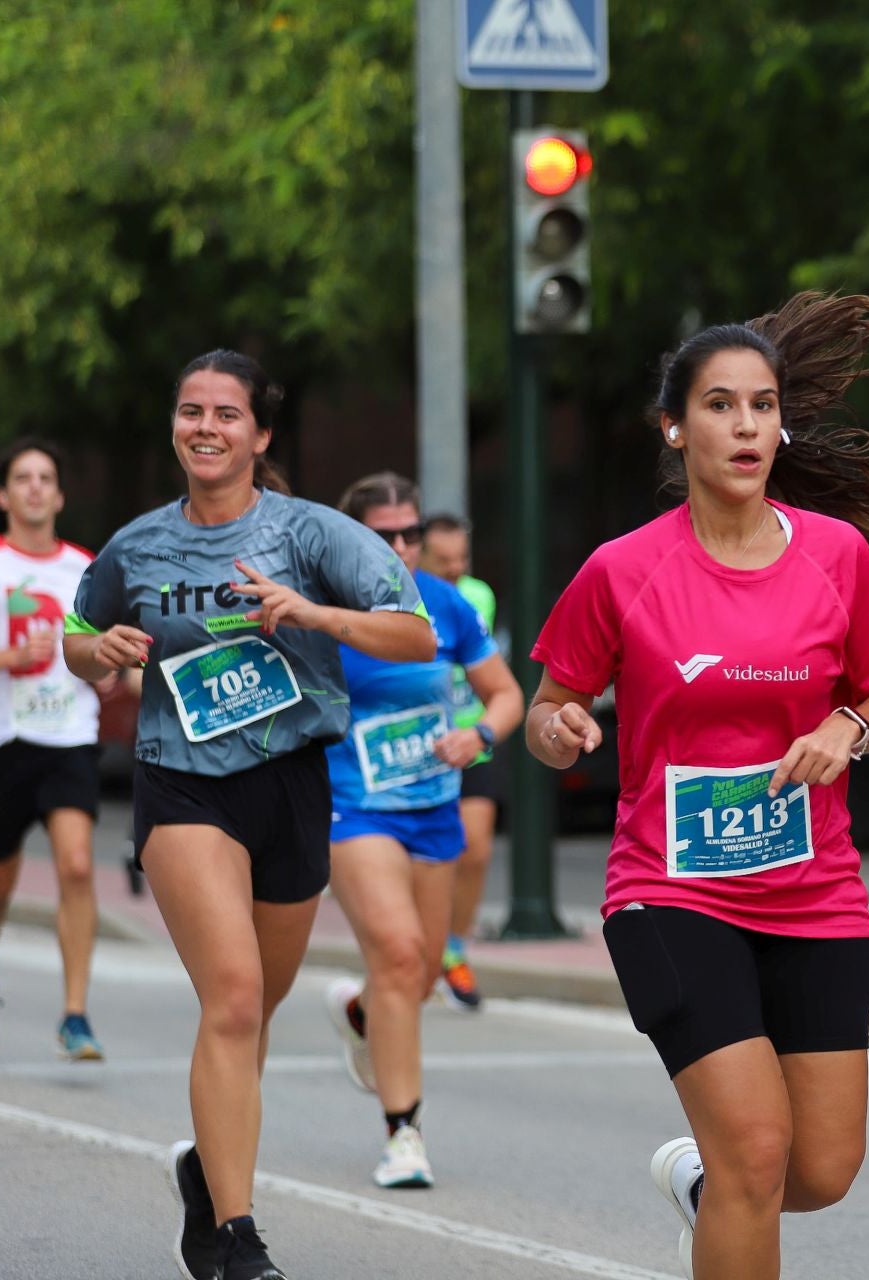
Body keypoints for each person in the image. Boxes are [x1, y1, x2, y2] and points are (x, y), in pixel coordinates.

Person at [527, 292, 869, 1280]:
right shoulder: (623, 571)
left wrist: (849, 724)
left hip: (814, 889)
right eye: (719, 405)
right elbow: (547, 707)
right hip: (671, 889)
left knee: (822, 1167)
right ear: (676, 426)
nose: (746, 426)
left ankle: (708, 1197)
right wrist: (560, 726)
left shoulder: (836, 556)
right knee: (755, 1150)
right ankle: (729, 1190)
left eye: (762, 405)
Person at [63, 350, 435, 1280]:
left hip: (292, 783)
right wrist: (96, 648)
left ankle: (204, 1170)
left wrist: (312, 614)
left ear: (260, 434)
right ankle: (236, 1238)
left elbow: (415, 631)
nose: (206, 428)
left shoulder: (312, 533)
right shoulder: (136, 546)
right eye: (191, 411)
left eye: (226, 415)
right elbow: (78, 636)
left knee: (255, 1010)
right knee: (231, 997)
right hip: (182, 783)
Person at [320, 473, 522, 1187]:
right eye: (386, 534)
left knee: (423, 967)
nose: (403, 546)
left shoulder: (444, 605)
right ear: (353, 539)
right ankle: (402, 1131)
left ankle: (359, 1009)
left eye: (410, 532)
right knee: (402, 953)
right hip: (353, 807)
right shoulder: (323, 609)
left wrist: (480, 738)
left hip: (433, 805)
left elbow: (504, 695)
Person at [0, 438, 111, 1062]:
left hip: (69, 734)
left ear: (60, 495)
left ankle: (75, 1013)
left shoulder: (88, 567)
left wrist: (121, 668)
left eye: (45, 477)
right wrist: (5, 658)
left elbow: (106, 648)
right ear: (3, 495)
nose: (34, 487)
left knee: (76, 864)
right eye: (21, 477)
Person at [418, 512, 500, 1010]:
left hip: (471, 736)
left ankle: (453, 948)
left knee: (476, 851)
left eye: (461, 559)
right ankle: (419, 949)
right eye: (443, 560)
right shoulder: (402, 597)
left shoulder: (479, 595)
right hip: (418, 744)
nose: (454, 569)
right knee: (423, 857)